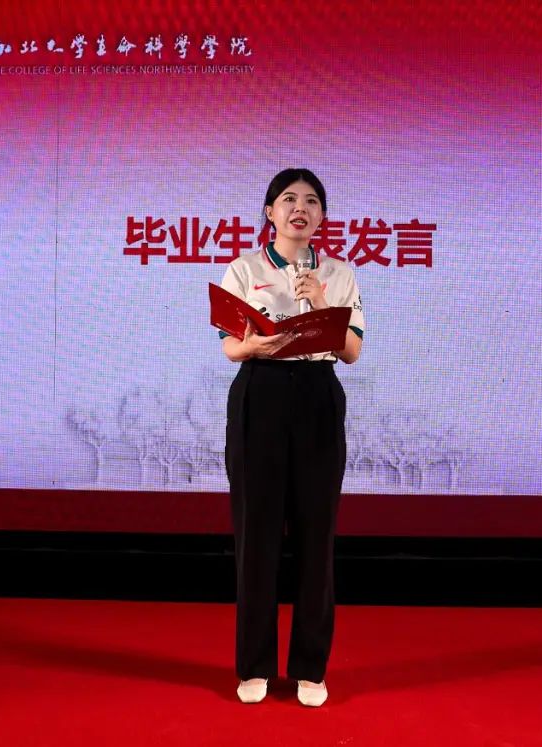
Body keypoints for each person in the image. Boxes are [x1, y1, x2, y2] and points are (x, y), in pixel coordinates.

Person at [218, 168, 364, 707]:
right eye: (288, 199)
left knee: (315, 535)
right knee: (256, 535)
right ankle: (254, 665)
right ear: (270, 212)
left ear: (322, 216)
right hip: (261, 392)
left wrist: (322, 302)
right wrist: (255, 346)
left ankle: (310, 667)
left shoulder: (340, 274)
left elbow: (351, 352)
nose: (299, 208)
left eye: (311, 201)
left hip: (317, 396)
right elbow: (231, 346)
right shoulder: (244, 268)